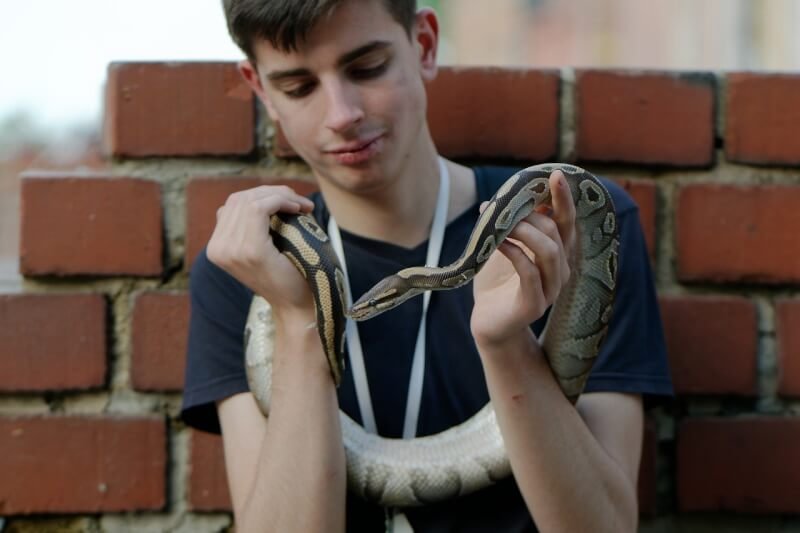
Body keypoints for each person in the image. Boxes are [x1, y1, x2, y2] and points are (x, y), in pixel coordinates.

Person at [180, 1, 673, 531]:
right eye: (299, 87)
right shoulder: (248, 268)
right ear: (261, 91)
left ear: (425, 45)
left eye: (367, 67)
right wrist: (303, 329)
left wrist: (506, 347)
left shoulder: (571, 227)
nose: (341, 114)